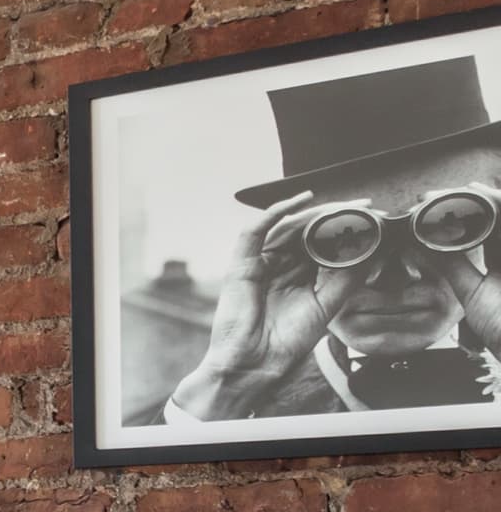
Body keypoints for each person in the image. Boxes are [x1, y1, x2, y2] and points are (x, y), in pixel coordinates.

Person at [162, 52, 501, 424]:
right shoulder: (227, 412)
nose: (393, 275)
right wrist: (229, 383)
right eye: (346, 235)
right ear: (296, 244)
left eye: (442, 224)